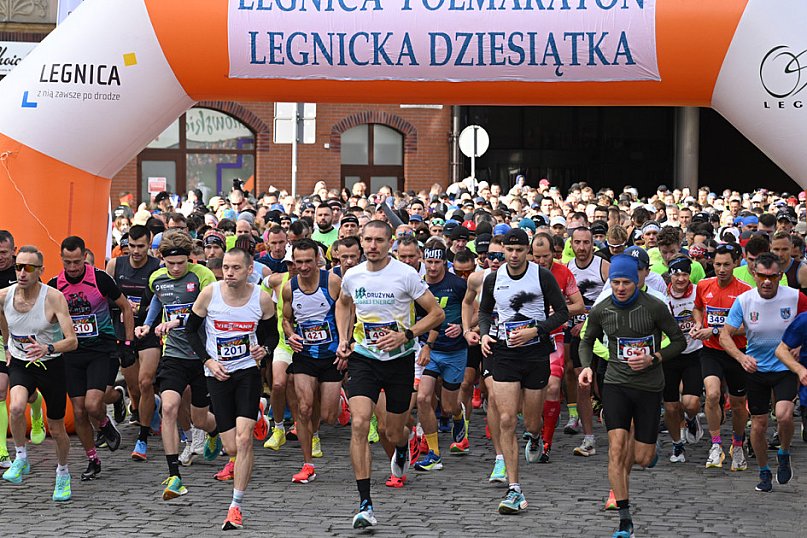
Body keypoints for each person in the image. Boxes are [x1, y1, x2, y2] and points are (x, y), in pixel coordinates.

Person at [335, 220, 445, 528]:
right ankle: (365, 503)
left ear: (390, 243)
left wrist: (407, 335)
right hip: (363, 358)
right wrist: (344, 337)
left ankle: (401, 448)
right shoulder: (352, 275)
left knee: (393, 431)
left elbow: (437, 314)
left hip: (399, 360)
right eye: (367, 240)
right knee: (359, 422)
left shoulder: (405, 275)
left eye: (379, 240)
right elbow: (343, 304)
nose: (372, 245)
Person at [579, 254, 686, 538]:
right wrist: (587, 368)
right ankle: (625, 519)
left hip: (649, 387)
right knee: (615, 447)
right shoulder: (601, 309)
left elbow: (679, 340)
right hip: (615, 383)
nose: (621, 287)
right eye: (616, 282)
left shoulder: (654, 307)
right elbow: (586, 341)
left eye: (626, 281)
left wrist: (655, 357)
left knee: (642, 456)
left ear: (637, 281)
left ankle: (650, 451)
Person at [478, 228, 569, 514]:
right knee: (506, 418)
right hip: (504, 352)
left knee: (531, 421)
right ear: (503, 250)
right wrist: (483, 334)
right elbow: (484, 311)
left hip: (535, 353)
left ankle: (535, 434)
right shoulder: (494, 278)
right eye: (509, 250)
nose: (514, 255)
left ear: (527, 251)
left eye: (520, 250)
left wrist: (535, 330)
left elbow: (563, 312)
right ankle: (514, 489)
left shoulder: (541, 276)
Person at [185, 247, 275, 530]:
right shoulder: (210, 294)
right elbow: (191, 330)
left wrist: (266, 349)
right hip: (218, 374)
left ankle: (236, 506)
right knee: (231, 445)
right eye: (226, 267)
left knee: (245, 440)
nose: (230, 273)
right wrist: (208, 361)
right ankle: (258, 415)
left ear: (250, 270)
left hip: (247, 372)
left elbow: (270, 332)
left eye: (236, 268)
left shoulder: (261, 298)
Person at [135, 230, 222, 500]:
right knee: (170, 407)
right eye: (170, 263)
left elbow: (206, 313)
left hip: (201, 355)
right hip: (173, 354)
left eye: (181, 263)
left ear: (190, 259)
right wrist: (147, 325)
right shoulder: (157, 279)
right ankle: (175, 476)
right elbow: (157, 302)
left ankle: (215, 431)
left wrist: (177, 322)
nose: (175, 268)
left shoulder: (203, 276)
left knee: (199, 418)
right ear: (161, 259)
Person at [720, 252, 807, 492]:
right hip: (755, 368)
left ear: (780, 275)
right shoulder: (744, 300)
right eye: (761, 276)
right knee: (758, 424)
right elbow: (724, 334)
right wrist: (741, 357)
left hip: (785, 366)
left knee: (784, 415)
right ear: (753, 274)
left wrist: (799, 346)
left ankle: (784, 452)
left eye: (772, 277)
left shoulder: (795, 297)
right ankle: (764, 471)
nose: (767, 282)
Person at [49, 236, 134, 481]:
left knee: (93, 404)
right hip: (72, 352)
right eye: (68, 262)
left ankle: (110, 412)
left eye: (77, 261)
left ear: (85, 256)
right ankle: (92, 459)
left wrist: (128, 343)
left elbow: (125, 307)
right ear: (61, 259)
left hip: (101, 349)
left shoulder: (99, 278)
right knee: (78, 411)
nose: (73, 267)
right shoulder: (55, 284)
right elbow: (47, 316)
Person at [0, 246, 78, 500]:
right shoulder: (5, 295)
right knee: (15, 407)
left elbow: (73, 341)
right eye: (19, 267)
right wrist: (7, 344)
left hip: (51, 364)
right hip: (22, 362)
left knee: (56, 428)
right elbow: (2, 316)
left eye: (29, 268)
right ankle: (21, 458)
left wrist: (48, 347)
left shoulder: (53, 298)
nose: (22, 272)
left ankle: (63, 473)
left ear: (41, 271)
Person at [282, 239, 342, 483]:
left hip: (330, 355)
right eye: (299, 262)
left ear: (318, 259)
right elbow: (286, 319)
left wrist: (345, 343)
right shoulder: (290, 287)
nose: (304, 267)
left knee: (329, 415)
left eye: (309, 261)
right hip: (305, 355)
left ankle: (339, 400)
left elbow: (348, 313)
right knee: (304, 408)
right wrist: (290, 334)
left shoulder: (332, 282)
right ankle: (307, 464)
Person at [690, 243, 752, 471]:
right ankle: (715, 446)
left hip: (737, 352)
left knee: (737, 406)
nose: (722, 269)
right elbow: (697, 308)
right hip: (711, 351)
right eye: (717, 264)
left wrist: (715, 330)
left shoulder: (745, 291)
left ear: (736, 263)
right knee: (713, 395)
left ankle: (737, 445)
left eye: (727, 264)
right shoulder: (704, 285)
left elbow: (749, 326)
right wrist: (698, 323)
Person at [106, 224, 162, 459]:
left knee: (146, 382)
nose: (136, 251)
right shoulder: (115, 265)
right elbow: (104, 295)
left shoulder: (157, 267)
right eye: (132, 246)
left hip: (148, 331)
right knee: (136, 389)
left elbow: (163, 298)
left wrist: (145, 311)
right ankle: (149, 409)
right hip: (123, 332)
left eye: (141, 246)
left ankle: (142, 438)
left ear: (149, 245)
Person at [413, 240, 469, 470]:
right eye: (429, 262)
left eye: (437, 262)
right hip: (429, 350)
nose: (433, 268)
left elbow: (474, 312)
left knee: (448, 406)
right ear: (423, 261)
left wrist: (465, 328)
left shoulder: (457, 284)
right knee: (423, 398)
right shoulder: (418, 286)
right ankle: (434, 453)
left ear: (445, 262)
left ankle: (458, 416)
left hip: (454, 351)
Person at [530, 232, 584, 462]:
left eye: (545, 256)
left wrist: (559, 311)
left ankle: (547, 443)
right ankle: (534, 430)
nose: (541, 261)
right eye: (537, 257)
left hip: (554, 337)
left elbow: (579, 305)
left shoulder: (563, 272)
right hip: (526, 339)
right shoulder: (521, 271)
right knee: (531, 392)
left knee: (553, 387)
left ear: (555, 253)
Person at [462, 236, 508, 482]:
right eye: (490, 256)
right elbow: (467, 303)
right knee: (493, 396)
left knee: (525, 413)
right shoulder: (477, 278)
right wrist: (467, 329)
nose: (494, 261)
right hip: (490, 343)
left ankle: (533, 433)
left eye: (500, 257)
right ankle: (500, 458)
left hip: (520, 346)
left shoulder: (526, 277)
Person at [565, 226, 609, 456]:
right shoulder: (568, 269)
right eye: (577, 242)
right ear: (571, 244)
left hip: (602, 333)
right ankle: (589, 438)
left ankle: (613, 423)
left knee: (602, 384)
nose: (581, 247)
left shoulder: (603, 267)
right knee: (582, 381)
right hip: (577, 335)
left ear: (593, 244)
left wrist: (590, 322)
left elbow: (612, 301)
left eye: (586, 242)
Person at [663, 257, 705, 463]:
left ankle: (690, 419)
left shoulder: (699, 291)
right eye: (676, 274)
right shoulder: (662, 294)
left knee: (690, 403)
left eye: (685, 274)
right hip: (669, 355)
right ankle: (677, 445)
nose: (681, 279)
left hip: (694, 354)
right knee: (671, 407)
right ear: (670, 275)